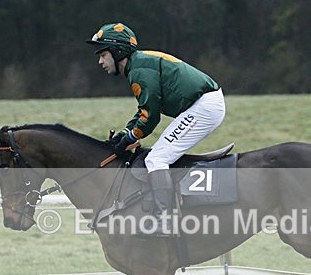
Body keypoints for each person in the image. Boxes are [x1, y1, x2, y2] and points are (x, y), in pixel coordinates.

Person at [86, 22, 225, 235]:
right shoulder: (138, 65)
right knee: (159, 156)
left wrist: (131, 136)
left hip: (204, 107)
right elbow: (145, 110)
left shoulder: (139, 71)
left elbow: (150, 117)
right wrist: (127, 132)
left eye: (103, 54)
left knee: (156, 159)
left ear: (117, 51)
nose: (100, 61)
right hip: (202, 104)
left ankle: (166, 221)